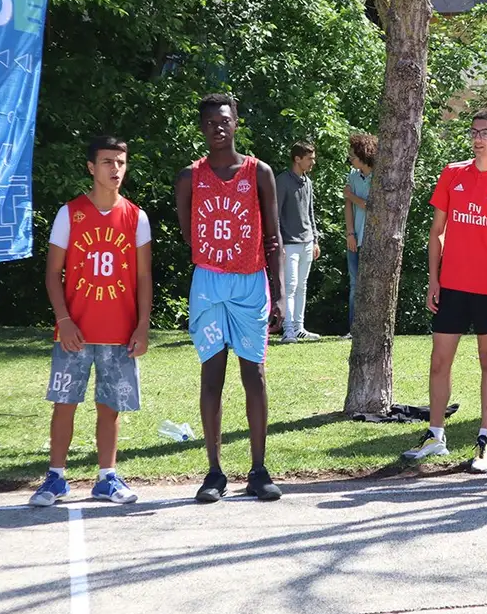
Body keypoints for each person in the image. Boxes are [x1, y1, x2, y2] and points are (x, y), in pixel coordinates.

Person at [400, 109, 487, 471]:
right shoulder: (453, 174)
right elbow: (436, 232)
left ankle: (485, 439)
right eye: (474, 132)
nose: (478, 138)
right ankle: (436, 436)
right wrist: (434, 278)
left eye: (485, 133)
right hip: (452, 286)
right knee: (439, 361)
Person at [174, 92, 286, 503]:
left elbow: (273, 237)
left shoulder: (259, 172)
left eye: (224, 120)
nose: (218, 128)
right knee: (212, 375)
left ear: (236, 123)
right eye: (210, 123)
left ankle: (258, 470)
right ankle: (215, 472)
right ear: (202, 128)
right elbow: (189, 232)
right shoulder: (190, 177)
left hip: (251, 282)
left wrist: (276, 294)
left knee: (253, 375)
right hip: (210, 282)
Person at [32, 135, 151, 507]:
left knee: (110, 407)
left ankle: (107, 477)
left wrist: (143, 324)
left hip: (119, 331)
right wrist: (64, 319)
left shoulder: (136, 216)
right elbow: (53, 274)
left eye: (120, 162)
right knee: (64, 402)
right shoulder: (70, 213)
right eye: (106, 162)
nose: (115, 169)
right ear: (91, 167)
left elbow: (144, 277)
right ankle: (55, 478)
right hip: (75, 332)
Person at [276, 141, 320, 343]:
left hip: (307, 242)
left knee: (302, 286)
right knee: (290, 286)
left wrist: (315, 240)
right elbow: (274, 214)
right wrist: (278, 244)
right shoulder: (283, 181)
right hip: (289, 243)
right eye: (309, 158)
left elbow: (310, 213)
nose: (313, 162)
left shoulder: (307, 182)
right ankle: (288, 330)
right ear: (297, 159)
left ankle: (299, 327)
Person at [343, 133, 377, 337]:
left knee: (371, 285)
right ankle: (353, 329)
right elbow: (349, 206)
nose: (350, 158)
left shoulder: (379, 177)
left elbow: (370, 206)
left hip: (373, 240)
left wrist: (351, 195)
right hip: (356, 238)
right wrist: (350, 233)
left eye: (353, 155)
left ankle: (370, 329)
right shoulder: (353, 177)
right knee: (355, 285)